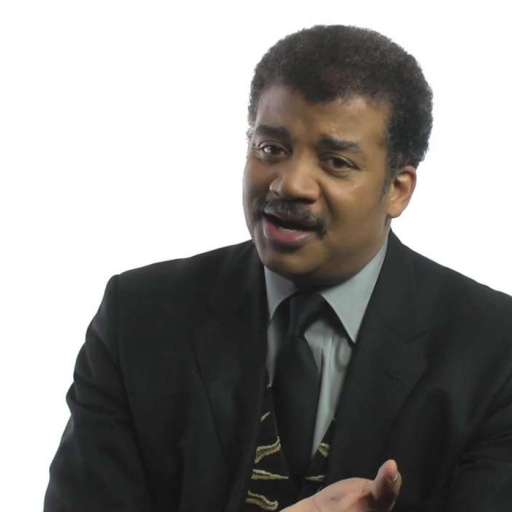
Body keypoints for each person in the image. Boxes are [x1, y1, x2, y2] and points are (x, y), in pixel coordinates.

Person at [44, 25, 512, 512]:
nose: (290, 184)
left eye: (335, 162)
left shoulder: (495, 349)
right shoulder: (139, 319)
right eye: (271, 149)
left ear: (398, 189)